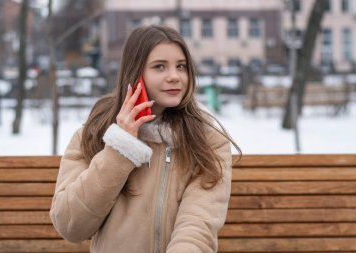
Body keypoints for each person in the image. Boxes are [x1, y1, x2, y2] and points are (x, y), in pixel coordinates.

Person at [50, 24, 240, 253]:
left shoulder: (207, 140)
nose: (175, 77)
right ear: (135, 74)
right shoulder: (93, 134)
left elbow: (197, 226)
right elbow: (71, 225)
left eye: (181, 67)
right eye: (159, 67)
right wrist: (120, 148)